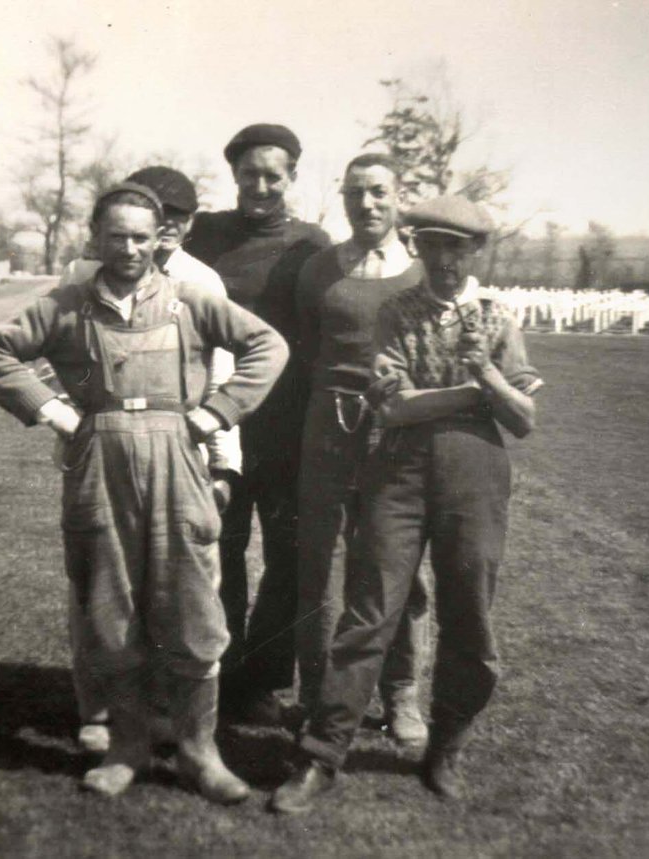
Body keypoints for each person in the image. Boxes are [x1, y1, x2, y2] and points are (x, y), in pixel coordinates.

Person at [0, 182, 288, 804]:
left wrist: (215, 415)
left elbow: (267, 346)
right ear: (96, 237)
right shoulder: (66, 305)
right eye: (116, 235)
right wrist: (55, 412)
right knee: (110, 614)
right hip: (100, 462)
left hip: (178, 456)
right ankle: (128, 748)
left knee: (195, 612)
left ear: (160, 238)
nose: (129, 248)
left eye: (141, 236)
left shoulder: (192, 301)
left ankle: (201, 754)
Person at [270, 194, 541, 814]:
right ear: (419, 248)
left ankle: (445, 747)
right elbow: (391, 409)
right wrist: (475, 391)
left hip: (475, 473)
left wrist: (488, 377)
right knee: (370, 610)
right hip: (398, 472)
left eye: (458, 247)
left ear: (476, 252)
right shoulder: (396, 312)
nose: (445, 258)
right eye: (434, 245)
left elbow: (524, 418)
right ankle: (320, 754)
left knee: (469, 611)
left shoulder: (499, 317)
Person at [58, 166, 242, 755]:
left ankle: (176, 720)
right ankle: (98, 712)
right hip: (102, 459)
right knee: (98, 591)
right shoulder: (82, 275)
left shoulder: (199, 282)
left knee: (185, 589)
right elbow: (60, 356)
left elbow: (221, 374)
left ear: (180, 227)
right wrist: (70, 421)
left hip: (179, 459)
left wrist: (221, 463)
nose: (151, 238)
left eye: (170, 223)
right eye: (138, 223)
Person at [186, 123, 332, 723]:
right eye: (251, 174)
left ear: (292, 178)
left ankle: (265, 679)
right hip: (217, 417)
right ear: (235, 176)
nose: (261, 186)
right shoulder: (206, 234)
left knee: (288, 552)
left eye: (274, 175)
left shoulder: (312, 245)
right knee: (219, 544)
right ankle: (219, 668)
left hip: (285, 423)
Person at [293, 153, 429, 746]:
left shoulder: (422, 275)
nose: (366, 204)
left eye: (378, 192)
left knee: (395, 567)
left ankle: (402, 695)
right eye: (354, 193)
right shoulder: (321, 268)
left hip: (397, 433)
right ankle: (314, 693)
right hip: (327, 427)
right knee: (317, 564)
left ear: (399, 198)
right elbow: (301, 349)